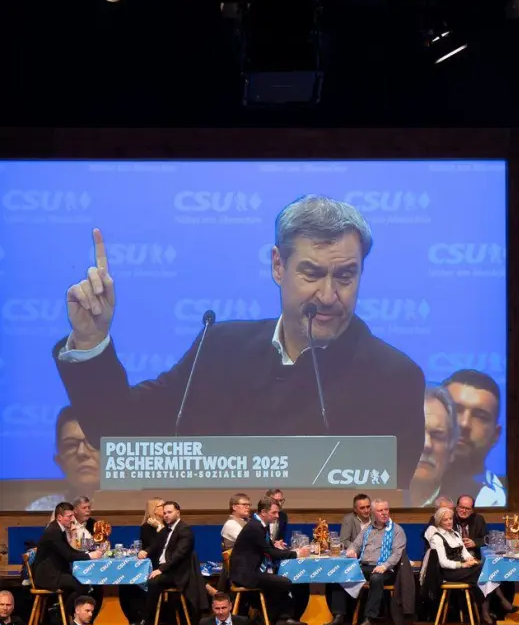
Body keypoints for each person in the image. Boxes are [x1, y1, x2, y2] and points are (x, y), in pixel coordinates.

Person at [52, 200, 426, 493]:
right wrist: (90, 338)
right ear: (278, 266)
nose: (328, 296)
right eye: (311, 274)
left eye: (345, 276)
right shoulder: (220, 349)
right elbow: (118, 431)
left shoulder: (393, 377)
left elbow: (386, 499)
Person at [229, 497, 310, 625]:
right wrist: (297, 554)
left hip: (252, 570)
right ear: (263, 512)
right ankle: (277, 619)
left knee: (284, 580)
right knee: (284, 582)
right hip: (246, 575)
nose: (277, 516)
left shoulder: (259, 525)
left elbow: (268, 547)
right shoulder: (254, 527)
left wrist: (280, 547)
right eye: (274, 513)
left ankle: (281, 618)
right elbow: (269, 552)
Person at [332, 499, 409, 625]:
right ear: (373, 513)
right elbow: (355, 545)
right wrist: (351, 550)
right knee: (340, 572)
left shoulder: (397, 530)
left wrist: (384, 566)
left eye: (386, 510)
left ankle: (369, 618)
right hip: (365, 565)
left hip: (386, 569)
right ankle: (339, 616)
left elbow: (397, 554)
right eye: (380, 510)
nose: (384, 513)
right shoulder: (368, 529)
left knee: (376, 578)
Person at [133, 500, 207, 625]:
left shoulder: (184, 530)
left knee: (153, 581)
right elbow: (155, 545)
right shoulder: (166, 530)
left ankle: (147, 622)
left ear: (178, 513)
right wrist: (146, 551)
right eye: (165, 513)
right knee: (142, 580)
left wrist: (160, 570)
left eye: (169, 512)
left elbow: (178, 555)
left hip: (179, 572)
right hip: (168, 569)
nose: (166, 515)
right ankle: (140, 618)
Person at [439, 369, 507, 506]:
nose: (464, 424)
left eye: (480, 416)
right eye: (455, 409)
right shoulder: (397, 489)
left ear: (496, 435)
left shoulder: (503, 501)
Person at [420, 505, 495, 625]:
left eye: (450, 519)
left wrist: (470, 559)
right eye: (445, 520)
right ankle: (488, 612)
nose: (449, 522)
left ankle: (485, 614)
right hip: (448, 572)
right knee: (483, 572)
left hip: (462, 569)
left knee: (485, 571)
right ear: (439, 521)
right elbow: (443, 562)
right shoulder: (436, 537)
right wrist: (463, 564)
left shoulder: (455, 534)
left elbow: (464, 552)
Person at [31, 500, 105, 602]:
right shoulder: (53, 532)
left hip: (55, 572)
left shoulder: (58, 528)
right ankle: (68, 614)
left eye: (72, 516)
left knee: (83, 583)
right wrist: (90, 556)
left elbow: (70, 550)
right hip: (47, 576)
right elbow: (68, 556)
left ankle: (68, 613)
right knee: (82, 586)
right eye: (69, 517)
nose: (72, 520)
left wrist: (86, 554)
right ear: (59, 517)